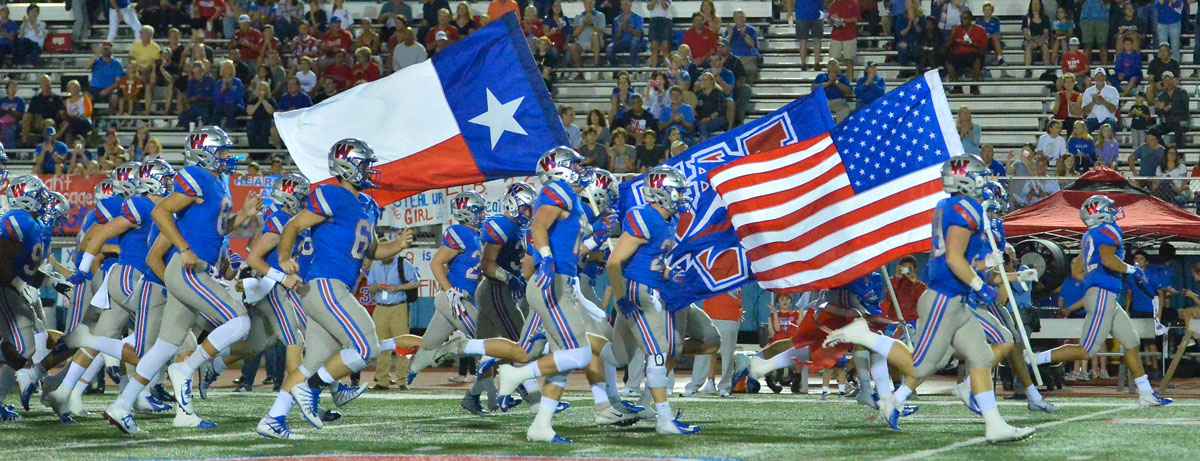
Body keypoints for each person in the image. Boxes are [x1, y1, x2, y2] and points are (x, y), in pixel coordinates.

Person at [824, 155, 1035, 441]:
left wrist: (987, 263)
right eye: (976, 174)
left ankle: (994, 424)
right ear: (963, 179)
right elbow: (954, 259)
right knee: (921, 365)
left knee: (981, 356)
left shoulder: (949, 205)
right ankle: (865, 335)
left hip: (955, 299)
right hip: (944, 299)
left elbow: (959, 258)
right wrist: (981, 287)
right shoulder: (965, 207)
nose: (982, 179)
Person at [103, 126, 259, 434]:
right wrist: (185, 249)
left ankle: (122, 406)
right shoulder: (196, 176)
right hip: (189, 268)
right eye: (222, 151)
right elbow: (162, 212)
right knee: (240, 322)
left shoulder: (218, 181)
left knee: (164, 346)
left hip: (195, 267)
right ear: (204, 153)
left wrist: (243, 215)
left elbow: (217, 228)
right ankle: (185, 369)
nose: (227, 156)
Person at [492, 148, 600, 442]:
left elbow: (571, 247)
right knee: (579, 354)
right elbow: (539, 225)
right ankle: (515, 375)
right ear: (560, 170)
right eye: (574, 165)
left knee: (563, 358)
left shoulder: (571, 196)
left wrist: (595, 238)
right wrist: (546, 257)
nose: (580, 169)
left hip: (561, 280)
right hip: (551, 281)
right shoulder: (558, 189)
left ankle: (541, 425)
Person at [1029, 195, 1173, 408]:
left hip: (1105, 295)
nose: (1114, 212)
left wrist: (1094, 281)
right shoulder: (1108, 230)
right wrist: (1131, 269)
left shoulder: (1089, 235)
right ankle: (1032, 359)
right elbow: (1107, 259)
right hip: (1104, 296)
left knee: (1132, 342)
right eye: (1109, 209)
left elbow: (1077, 270)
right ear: (1099, 214)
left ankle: (1146, 393)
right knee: (1086, 350)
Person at [605, 165, 703, 436]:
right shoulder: (645, 217)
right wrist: (623, 297)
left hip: (652, 290)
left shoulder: (669, 220)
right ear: (661, 193)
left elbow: (653, 258)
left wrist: (669, 273)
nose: (681, 196)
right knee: (659, 352)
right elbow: (614, 261)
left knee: (619, 355)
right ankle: (663, 419)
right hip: (639, 292)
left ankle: (603, 387)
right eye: (677, 191)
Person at [366, 233, 421, 391]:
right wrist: (377, 287)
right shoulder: (376, 265)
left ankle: (402, 380)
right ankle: (382, 380)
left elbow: (415, 282)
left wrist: (397, 288)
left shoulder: (403, 264)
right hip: (381, 307)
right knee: (381, 345)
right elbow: (370, 287)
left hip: (398, 307)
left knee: (403, 345)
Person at [686, 290, 741, 398]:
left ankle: (724, 387)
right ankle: (694, 386)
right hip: (709, 312)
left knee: (727, 354)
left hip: (730, 312)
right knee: (702, 352)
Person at [948, 9, 987, 94]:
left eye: (965, 18)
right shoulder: (957, 29)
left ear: (970, 19)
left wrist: (971, 43)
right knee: (947, 61)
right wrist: (952, 34)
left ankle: (974, 85)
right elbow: (946, 46)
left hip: (974, 53)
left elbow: (984, 47)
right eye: (961, 18)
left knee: (978, 58)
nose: (962, 20)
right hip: (960, 54)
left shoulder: (980, 29)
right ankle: (956, 86)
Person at [1149, 71, 1189, 150]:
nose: (1168, 82)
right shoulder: (1162, 96)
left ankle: (1180, 153)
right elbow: (1159, 113)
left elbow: (1184, 108)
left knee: (1179, 128)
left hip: (1182, 120)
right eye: (1165, 80)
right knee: (1153, 131)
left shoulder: (1182, 92)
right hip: (1169, 122)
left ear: (1173, 80)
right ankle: (1166, 151)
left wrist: (1169, 107)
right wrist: (1162, 110)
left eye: (1169, 80)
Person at [606, 0, 645, 67]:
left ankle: (631, 64)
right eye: (623, 5)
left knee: (635, 41)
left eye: (626, 4)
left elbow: (638, 34)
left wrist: (627, 27)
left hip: (635, 43)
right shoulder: (617, 19)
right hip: (621, 42)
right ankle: (616, 66)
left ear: (630, 5)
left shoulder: (638, 18)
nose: (625, 7)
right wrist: (620, 28)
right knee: (609, 49)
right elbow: (616, 38)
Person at [828, 0, 860, 79]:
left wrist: (842, 20)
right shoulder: (833, 4)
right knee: (833, 61)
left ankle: (849, 82)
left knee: (849, 59)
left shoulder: (853, 3)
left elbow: (856, 18)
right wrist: (832, 21)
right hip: (836, 35)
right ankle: (833, 81)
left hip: (850, 35)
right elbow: (830, 21)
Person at [569, 0, 605, 67]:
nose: (589, 5)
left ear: (594, 4)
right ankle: (580, 72)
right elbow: (574, 34)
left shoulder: (600, 15)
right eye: (587, 3)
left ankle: (596, 64)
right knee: (573, 47)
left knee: (595, 35)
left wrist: (591, 24)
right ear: (584, 4)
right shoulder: (578, 16)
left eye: (590, 3)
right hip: (582, 42)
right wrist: (583, 24)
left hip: (596, 41)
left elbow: (601, 31)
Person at [1082, 68, 1119, 133]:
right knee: (1084, 124)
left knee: (1111, 123)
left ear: (1105, 77)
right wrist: (1093, 102)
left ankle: (1107, 143)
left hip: (1108, 118)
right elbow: (1084, 111)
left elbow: (1113, 109)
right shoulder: (1088, 91)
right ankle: (1088, 143)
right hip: (1092, 118)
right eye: (1097, 76)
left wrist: (1103, 101)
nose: (1099, 78)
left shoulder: (1113, 90)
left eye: (1101, 76)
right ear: (1094, 78)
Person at [180, 62, 215, 127]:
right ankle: (190, 131)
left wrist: (202, 98)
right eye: (194, 73)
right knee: (182, 116)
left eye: (198, 72)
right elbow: (188, 98)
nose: (196, 75)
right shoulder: (191, 83)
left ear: (202, 71)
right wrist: (192, 99)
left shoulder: (210, 81)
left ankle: (205, 131)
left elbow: (212, 97)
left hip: (206, 106)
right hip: (194, 106)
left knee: (205, 114)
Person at [694, 73, 727, 141]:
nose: (703, 82)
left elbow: (719, 110)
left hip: (717, 119)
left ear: (712, 81)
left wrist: (709, 118)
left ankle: (704, 147)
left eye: (706, 80)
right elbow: (698, 109)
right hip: (702, 119)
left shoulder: (718, 94)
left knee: (703, 126)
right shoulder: (700, 96)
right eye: (702, 80)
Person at [213, 61, 245, 128]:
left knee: (229, 106)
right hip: (222, 106)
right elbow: (216, 99)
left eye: (230, 67)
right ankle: (216, 128)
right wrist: (222, 90)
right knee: (217, 109)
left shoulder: (237, 82)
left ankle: (230, 127)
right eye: (226, 68)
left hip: (236, 106)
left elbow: (239, 97)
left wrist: (231, 89)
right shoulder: (219, 83)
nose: (228, 69)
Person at [794, 0, 824, 71]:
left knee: (804, 40)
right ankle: (815, 63)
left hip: (806, 14)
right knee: (815, 39)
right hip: (813, 13)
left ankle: (804, 63)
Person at [1078, 0, 1109, 66]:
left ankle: (1105, 68)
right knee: (1087, 45)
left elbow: (1107, 2)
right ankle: (1086, 69)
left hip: (1102, 18)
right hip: (1086, 18)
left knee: (1102, 44)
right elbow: (1080, 2)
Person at [1023, 0, 1051, 74]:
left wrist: (1040, 40)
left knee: (1044, 47)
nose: (1035, 6)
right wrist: (1031, 40)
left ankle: (1047, 68)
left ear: (1041, 5)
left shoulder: (1045, 18)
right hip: (1030, 38)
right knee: (1028, 47)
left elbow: (1046, 32)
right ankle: (1028, 69)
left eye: (1037, 4)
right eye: (1033, 4)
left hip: (1042, 38)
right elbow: (1025, 32)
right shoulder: (1026, 18)